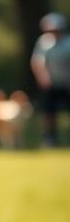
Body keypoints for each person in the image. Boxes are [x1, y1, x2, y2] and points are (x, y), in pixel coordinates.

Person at [32, 12, 70, 146]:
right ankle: (49, 138)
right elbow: (37, 62)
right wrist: (43, 77)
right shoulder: (44, 42)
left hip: (66, 83)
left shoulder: (68, 43)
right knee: (48, 112)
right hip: (50, 84)